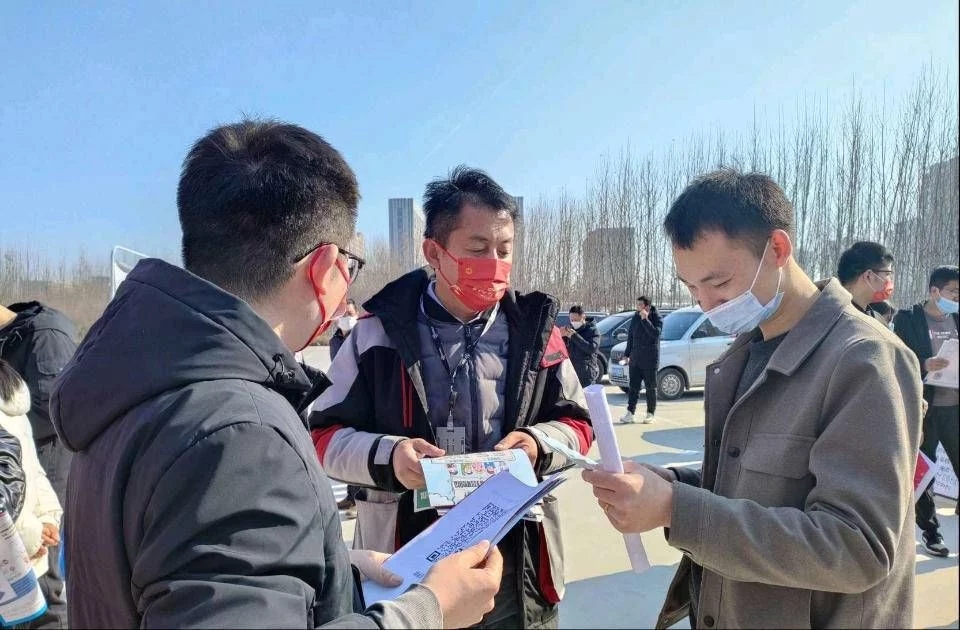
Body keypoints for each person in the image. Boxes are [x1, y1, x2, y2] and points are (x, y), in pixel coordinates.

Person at [48, 120, 502, 629]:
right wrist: (425, 612)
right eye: (351, 264)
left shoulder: (133, 382)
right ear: (325, 267)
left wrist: (331, 569)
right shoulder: (240, 437)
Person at [583, 169, 922, 629]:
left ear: (777, 249)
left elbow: (857, 547)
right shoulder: (745, 352)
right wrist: (671, 484)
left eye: (719, 282)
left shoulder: (863, 359)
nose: (706, 304)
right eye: (691, 287)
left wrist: (676, 508)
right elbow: (755, 482)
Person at [309, 165, 594, 629]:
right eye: (478, 249)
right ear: (433, 253)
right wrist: (389, 456)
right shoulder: (375, 335)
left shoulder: (537, 333)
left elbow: (579, 425)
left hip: (516, 572)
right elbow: (322, 436)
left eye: (505, 250)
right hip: (408, 574)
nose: (494, 264)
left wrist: (537, 444)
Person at [0, 301, 76, 628]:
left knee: (46, 596)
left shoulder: (45, 335)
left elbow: (42, 430)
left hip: (33, 508)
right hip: (25, 521)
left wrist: (45, 518)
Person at [893, 264, 960, 553]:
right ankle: (931, 533)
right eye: (953, 292)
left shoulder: (957, 318)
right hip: (925, 408)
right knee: (926, 471)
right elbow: (897, 358)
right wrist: (924, 363)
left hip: (954, 407)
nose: (957, 298)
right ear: (934, 291)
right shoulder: (908, 319)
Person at [0, 360, 63, 580]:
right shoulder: (11, 394)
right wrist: (42, 523)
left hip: (13, 554)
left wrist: (44, 523)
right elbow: (32, 470)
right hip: (19, 552)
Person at [619, 296, 662, 424]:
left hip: (650, 360)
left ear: (647, 306)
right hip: (635, 358)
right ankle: (630, 413)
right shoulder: (635, 317)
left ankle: (650, 413)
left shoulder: (657, 318)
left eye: (640, 305)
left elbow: (655, 334)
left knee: (650, 388)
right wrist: (627, 354)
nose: (638, 307)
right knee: (633, 388)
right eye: (637, 305)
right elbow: (630, 337)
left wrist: (645, 320)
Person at [836, 241, 895, 319]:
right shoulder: (845, 320)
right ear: (868, 276)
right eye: (887, 274)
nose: (890, 280)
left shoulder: (828, 309)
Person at [561, 306, 601, 387]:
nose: (573, 322)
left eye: (576, 320)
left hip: (586, 374)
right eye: (571, 320)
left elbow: (591, 349)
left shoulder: (593, 331)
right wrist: (561, 336)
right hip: (571, 373)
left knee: (586, 395)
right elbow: (562, 350)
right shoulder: (569, 330)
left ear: (583, 317)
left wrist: (574, 336)